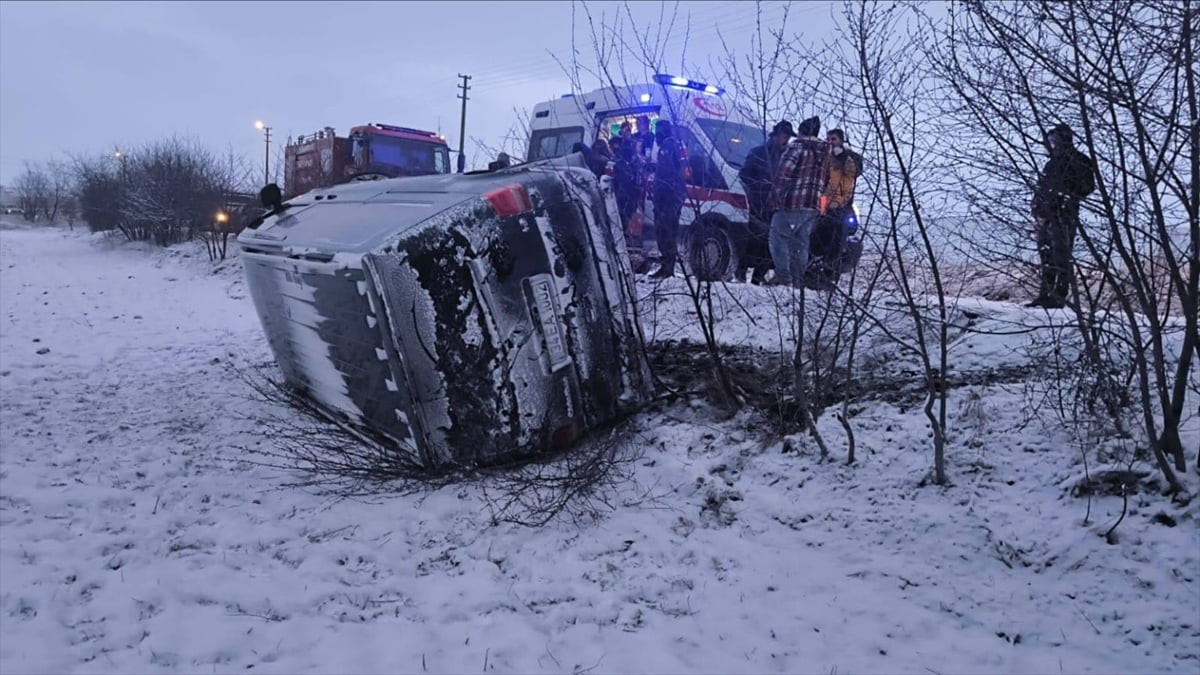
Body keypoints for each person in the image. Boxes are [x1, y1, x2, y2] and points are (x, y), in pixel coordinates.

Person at [1030, 123, 1095, 309]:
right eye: (1050, 141)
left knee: (1061, 255)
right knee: (1046, 256)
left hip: (1063, 215)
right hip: (1044, 216)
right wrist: (1036, 208)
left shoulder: (1080, 160)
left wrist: (1067, 198)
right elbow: (1042, 189)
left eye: (1055, 140)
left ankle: (1059, 296)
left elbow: (1087, 187)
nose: (1052, 144)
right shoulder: (1051, 164)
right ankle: (1046, 293)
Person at [767, 116, 830, 287]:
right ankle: (797, 281)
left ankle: (783, 277)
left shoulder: (797, 147)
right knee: (801, 244)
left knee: (777, 238)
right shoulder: (825, 152)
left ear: (801, 132)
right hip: (812, 206)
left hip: (792, 203)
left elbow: (783, 174)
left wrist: (773, 198)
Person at [737, 120, 794, 284]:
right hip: (757, 203)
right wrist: (758, 190)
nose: (785, 140)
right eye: (784, 136)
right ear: (776, 135)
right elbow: (745, 175)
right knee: (754, 240)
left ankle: (758, 275)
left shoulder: (785, 157)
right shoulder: (758, 153)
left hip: (775, 206)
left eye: (788, 137)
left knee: (770, 242)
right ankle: (742, 269)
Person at [808, 128, 863, 290]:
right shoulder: (826, 157)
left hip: (841, 207)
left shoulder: (850, 158)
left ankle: (830, 276)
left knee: (836, 244)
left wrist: (843, 156)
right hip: (824, 205)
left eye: (834, 139)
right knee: (817, 240)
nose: (830, 142)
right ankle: (812, 275)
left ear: (841, 140)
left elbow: (855, 172)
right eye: (828, 139)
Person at [649, 119, 687, 279]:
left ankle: (667, 267)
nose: (656, 136)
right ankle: (667, 265)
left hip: (668, 198)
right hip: (670, 196)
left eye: (658, 132)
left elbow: (667, 174)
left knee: (665, 231)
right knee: (667, 231)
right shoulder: (674, 145)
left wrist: (659, 194)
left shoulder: (668, 146)